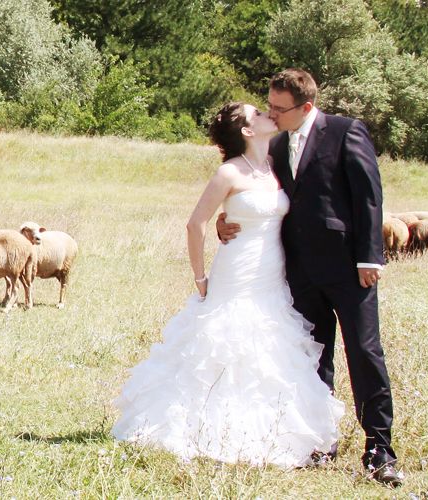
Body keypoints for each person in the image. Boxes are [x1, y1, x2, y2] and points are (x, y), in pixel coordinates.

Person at [112, 101, 345, 469]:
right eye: (257, 114)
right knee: (225, 343)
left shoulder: (274, 165)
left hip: (273, 271)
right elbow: (194, 224)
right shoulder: (229, 173)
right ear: (248, 132)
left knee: (270, 344)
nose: (268, 114)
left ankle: (275, 428)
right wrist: (200, 275)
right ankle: (207, 425)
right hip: (236, 271)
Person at [217, 69, 402, 486]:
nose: (272, 114)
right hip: (297, 270)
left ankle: (379, 450)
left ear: (306, 106)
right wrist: (225, 221)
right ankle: (319, 442)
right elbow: (256, 193)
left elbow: (369, 196)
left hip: (348, 269)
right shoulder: (274, 144)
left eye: (280, 109)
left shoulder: (345, 132)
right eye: (269, 106)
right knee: (313, 358)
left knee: (365, 353)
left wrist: (370, 257)